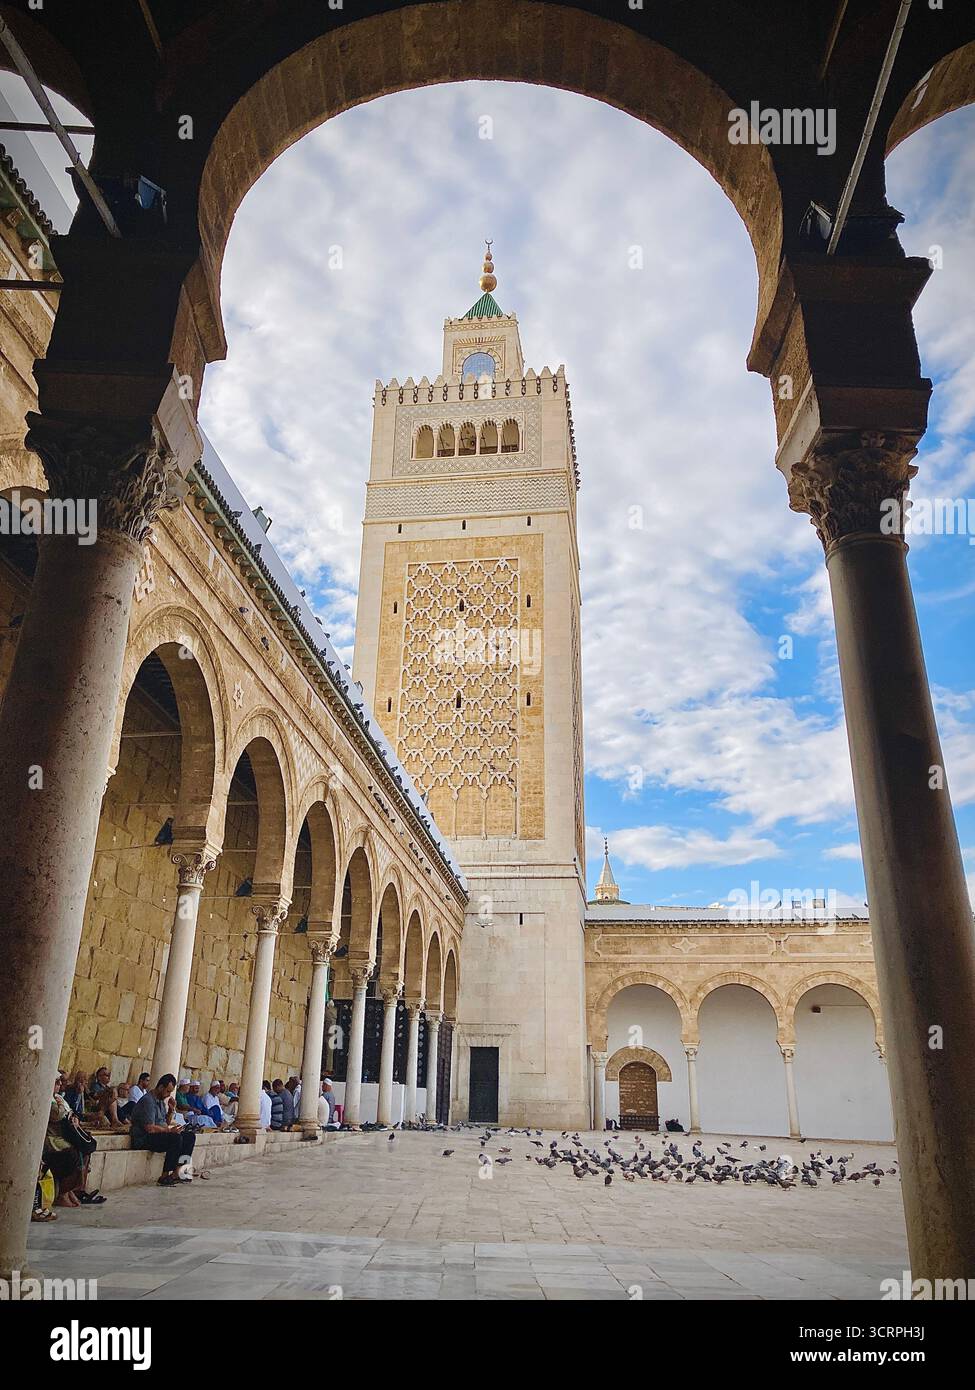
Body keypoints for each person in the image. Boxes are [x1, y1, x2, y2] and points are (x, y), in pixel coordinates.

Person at [42, 1077, 105, 1207]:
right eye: (56, 1082)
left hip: (63, 1135)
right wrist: (61, 1105)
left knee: (85, 1151)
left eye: (60, 1082)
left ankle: (73, 1190)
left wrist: (73, 1116)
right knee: (73, 1154)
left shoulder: (59, 1098)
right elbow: (57, 1115)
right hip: (53, 1138)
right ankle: (63, 1193)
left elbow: (71, 1112)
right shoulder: (48, 1098)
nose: (59, 1085)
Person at [130, 1074, 197, 1186]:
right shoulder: (148, 1101)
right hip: (143, 1138)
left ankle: (179, 1172)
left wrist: (171, 1111)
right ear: (161, 1087)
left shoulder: (160, 1100)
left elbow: (164, 1123)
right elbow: (149, 1128)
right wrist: (170, 1131)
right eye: (167, 1091)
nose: (168, 1095)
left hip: (158, 1134)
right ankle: (165, 1175)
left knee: (189, 1136)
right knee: (175, 1138)